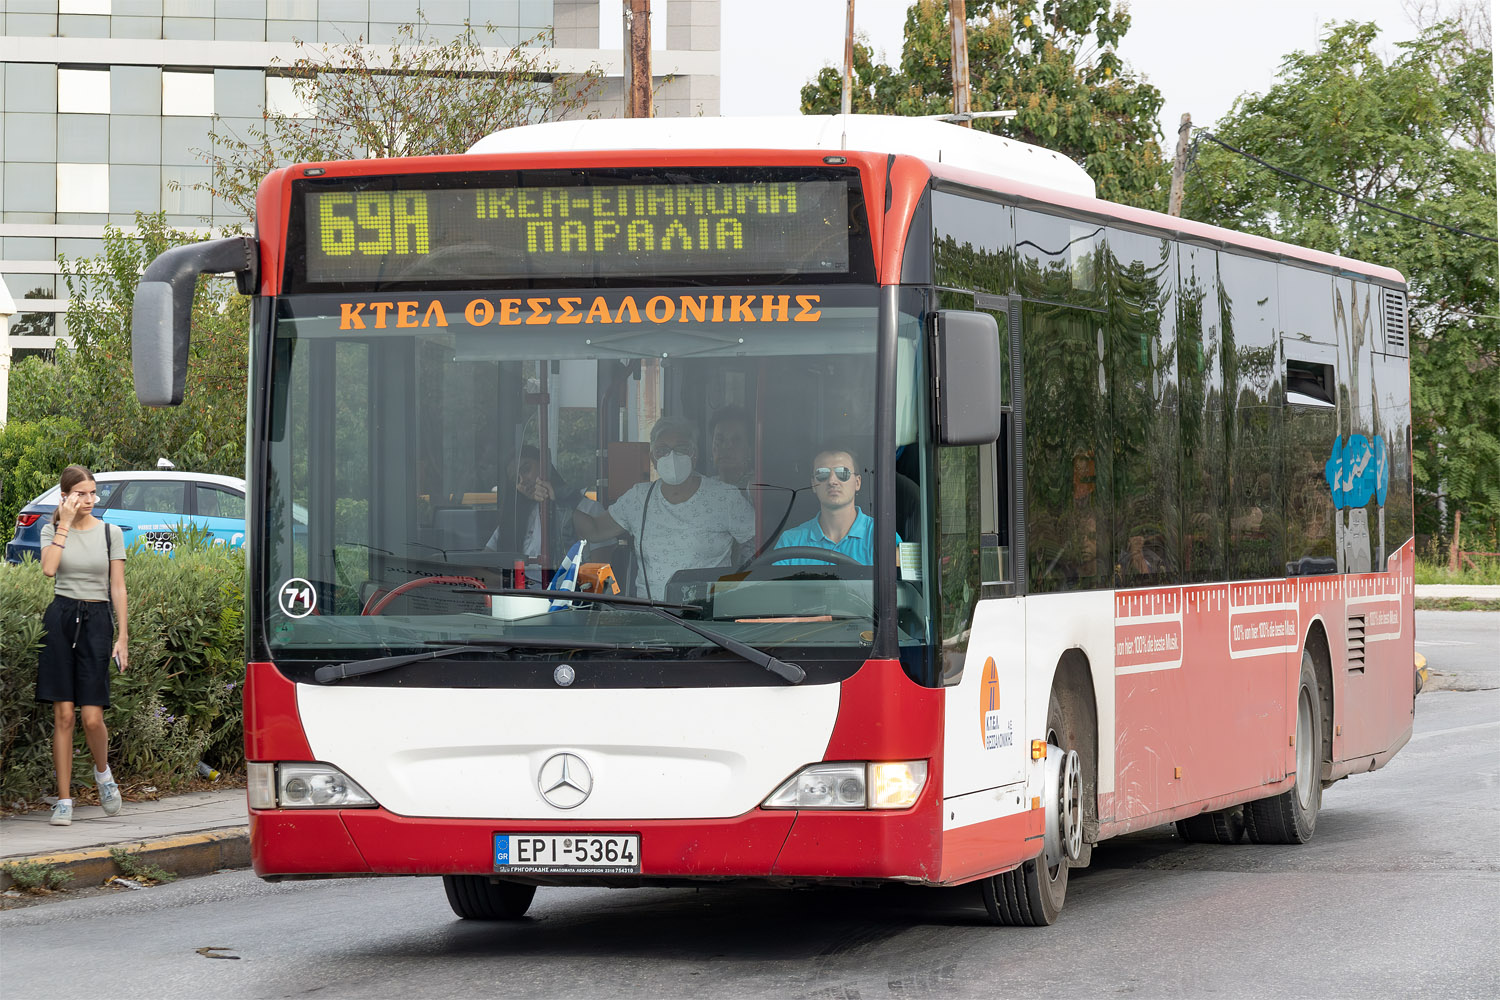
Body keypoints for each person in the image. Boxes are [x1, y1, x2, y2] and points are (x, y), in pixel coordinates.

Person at [36, 465, 128, 827]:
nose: (89, 500)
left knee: (91, 717)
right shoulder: (50, 529)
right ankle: (63, 800)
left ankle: (103, 774)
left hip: (98, 621)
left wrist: (123, 636)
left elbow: (118, 587)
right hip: (60, 618)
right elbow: (49, 569)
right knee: (63, 715)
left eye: (93, 493)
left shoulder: (110, 533)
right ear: (66, 495)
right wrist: (64, 523)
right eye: (81, 494)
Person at [574, 416, 754, 599]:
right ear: (653, 457)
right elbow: (594, 530)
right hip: (653, 618)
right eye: (662, 450)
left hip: (705, 620)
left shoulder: (724, 497)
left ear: (694, 453)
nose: (672, 456)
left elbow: (759, 546)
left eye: (681, 448)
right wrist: (559, 497)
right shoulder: (639, 498)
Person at [773, 446, 895, 565]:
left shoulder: (883, 537)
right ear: (813, 484)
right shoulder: (790, 542)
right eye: (822, 474)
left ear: (857, 482)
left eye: (842, 473)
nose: (832, 481)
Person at [484, 445, 580, 578]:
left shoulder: (581, 507)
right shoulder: (514, 518)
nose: (523, 481)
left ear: (544, 464)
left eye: (526, 469)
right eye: (516, 479)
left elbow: (598, 570)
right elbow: (486, 561)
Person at [708, 406, 753, 491]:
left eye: (736, 440)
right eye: (720, 439)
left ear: (749, 451)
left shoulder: (757, 489)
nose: (725, 446)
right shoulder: (706, 487)